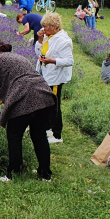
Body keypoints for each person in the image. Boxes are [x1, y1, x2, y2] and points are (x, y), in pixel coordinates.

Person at [0, 40, 57, 182]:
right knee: (39, 136)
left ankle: (14, 173)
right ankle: (45, 174)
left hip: (24, 99)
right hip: (43, 96)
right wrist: (4, 98)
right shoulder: (19, 57)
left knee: (14, 135)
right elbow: (20, 80)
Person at [35, 12, 74, 145]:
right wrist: (40, 40)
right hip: (46, 74)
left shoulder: (63, 40)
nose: (43, 30)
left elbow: (69, 60)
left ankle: (57, 134)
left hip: (55, 78)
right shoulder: (49, 37)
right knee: (46, 103)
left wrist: (52, 61)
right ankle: (47, 128)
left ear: (53, 26)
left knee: (54, 105)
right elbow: (39, 53)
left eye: (45, 27)